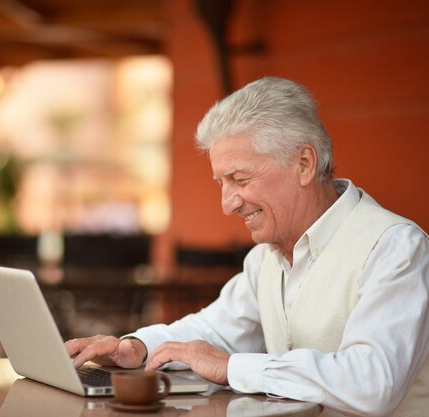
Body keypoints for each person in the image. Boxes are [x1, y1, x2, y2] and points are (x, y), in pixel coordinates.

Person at [66, 77, 429, 417]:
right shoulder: (265, 258)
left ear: (304, 164)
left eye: (239, 179)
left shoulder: (395, 246)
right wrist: (136, 348)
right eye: (221, 183)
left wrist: (231, 367)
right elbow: (213, 331)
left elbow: (374, 381)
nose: (228, 204)